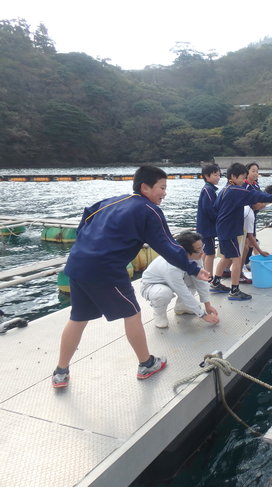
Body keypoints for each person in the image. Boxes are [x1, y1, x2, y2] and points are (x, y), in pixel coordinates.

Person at [52, 165, 211, 388]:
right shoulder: (149, 210)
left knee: (78, 318)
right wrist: (194, 269)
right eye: (162, 188)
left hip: (77, 264)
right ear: (145, 187)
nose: (165, 193)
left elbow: (86, 217)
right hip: (106, 270)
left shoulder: (112, 201)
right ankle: (146, 364)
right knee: (133, 314)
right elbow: (167, 245)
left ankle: (60, 371)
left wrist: (88, 246)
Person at [210, 163, 272, 301]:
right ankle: (234, 290)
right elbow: (255, 194)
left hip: (222, 229)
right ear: (233, 176)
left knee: (226, 257)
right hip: (229, 231)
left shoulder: (224, 190)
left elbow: (216, 208)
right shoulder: (236, 190)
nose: (243, 181)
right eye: (242, 178)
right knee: (237, 259)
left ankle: (215, 283)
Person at [141, 231, 220, 329]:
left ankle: (182, 307)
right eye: (199, 249)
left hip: (173, 280)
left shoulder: (195, 256)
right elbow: (183, 292)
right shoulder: (171, 266)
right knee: (163, 293)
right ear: (185, 251)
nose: (202, 253)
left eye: (202, 247)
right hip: (152, 285)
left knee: (196, 277)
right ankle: (159, 314)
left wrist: (207, 305)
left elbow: (200, 281)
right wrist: (203, 315)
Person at [196, 163, 220, 281]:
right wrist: (220, 219)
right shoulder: (208, 190)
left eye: (219, 175)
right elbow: (210, 209)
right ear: (206, 176)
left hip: (204, 227)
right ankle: (209, 278)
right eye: (215, 175)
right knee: (210, 253)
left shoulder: (209, 189)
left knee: (206, 252)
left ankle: (203, 273)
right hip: (208, 228)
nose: (218, 177)